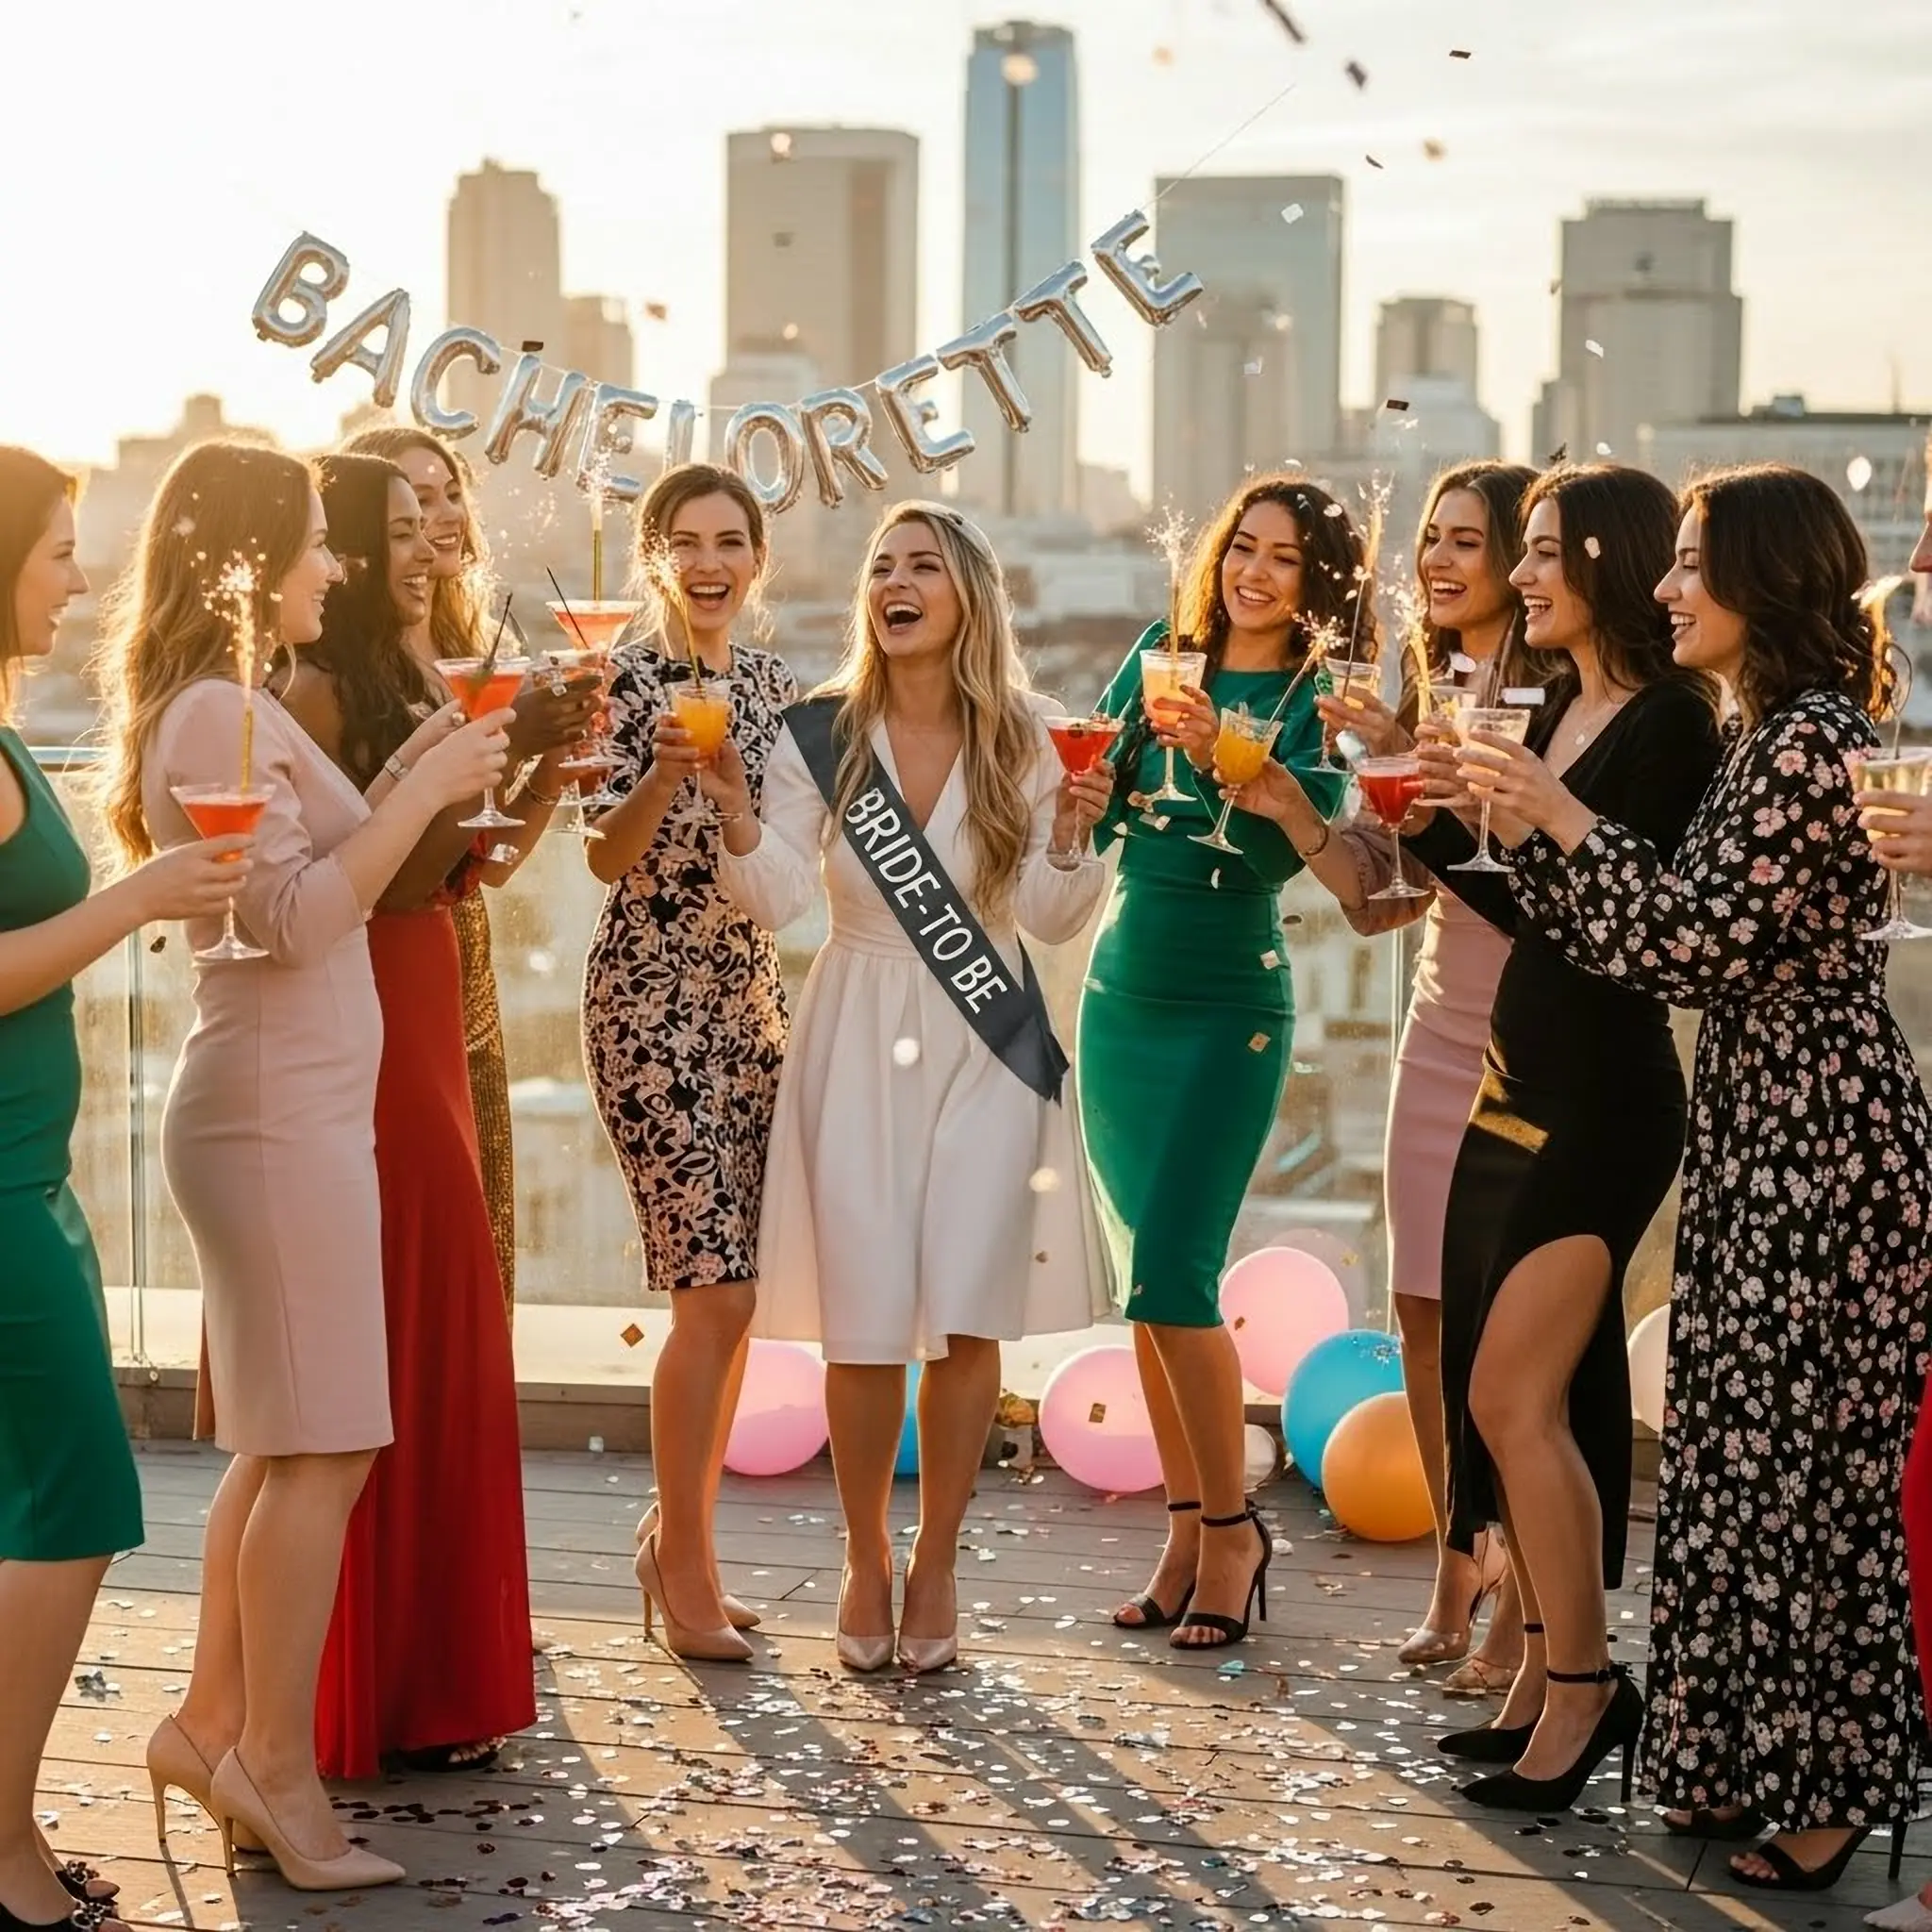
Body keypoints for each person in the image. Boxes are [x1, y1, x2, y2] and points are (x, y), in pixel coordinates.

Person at [1472, 464, 1929, 1886]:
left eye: (1688, 564)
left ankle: (1829, 1785)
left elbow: (1689, 942)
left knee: (1810, 1473)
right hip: (1761, 1118)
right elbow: (1622, 937)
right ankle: (1730, 1760)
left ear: (1765, 576)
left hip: (1828, 1138)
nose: (1665, 589)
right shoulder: (1761, 733)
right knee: (1733, 1455)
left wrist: (1556, 814)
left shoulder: (1807, 741)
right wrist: (1514, 824)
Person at [96, 441, 508, 1890]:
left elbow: (348, 859)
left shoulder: (251, 706)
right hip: (274, 1121)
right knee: (329, 1444)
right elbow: (290, 917)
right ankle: (274, 1767)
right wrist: (426, 782)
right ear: (258, 554)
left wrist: (434, 765)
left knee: (286, 1443)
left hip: (303, 1114)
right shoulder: (219, 711)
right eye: (320, 544)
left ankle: (211, 1728)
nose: (337, 565)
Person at [712, 502, 1110, 1673]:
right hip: (854, 1029)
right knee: (865, 1316)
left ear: (968, 596)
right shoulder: (816, 733)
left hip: (988, 1037)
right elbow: (775, 893)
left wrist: (1076, 838)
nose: (894, 581)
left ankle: (936, 1558)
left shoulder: (1037, 736)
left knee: (968, 1304)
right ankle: (864, 1556)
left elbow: (1047, 917)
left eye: (922, 564)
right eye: (881, 566)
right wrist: (737, 811)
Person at [1398, 461, 1722, 1811]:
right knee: (1525, 1391)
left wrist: (1538, 815)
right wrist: (1417, 814)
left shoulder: (1670, 724)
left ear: (1605, 559)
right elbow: (1525, 906)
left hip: (1601, 1097)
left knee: (1509, 1397)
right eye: (1517, 552)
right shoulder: (1562, 702)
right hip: (1507, 1074)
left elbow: (1632, 927)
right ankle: (1550, 1673)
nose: (1523, 577)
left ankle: (1585, 1691)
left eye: (1541, 553)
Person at [1224, 461, 1540, 1685]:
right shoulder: (1413, 682)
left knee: (1510, 1324)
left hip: (1537, 1031)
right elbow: (1386, 900)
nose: (1440, 561)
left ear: (1525, 557)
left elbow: (1527, 865)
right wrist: (1302, 809)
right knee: (1421, 1308)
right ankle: (1458, 1573)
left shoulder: (1553, 697)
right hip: (1439, 1020)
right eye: (1431, 542)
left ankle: (1521, 1586)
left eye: (1469, 540)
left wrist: (1414, 752)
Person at [0, 446, 247, 1932]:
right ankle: (2, 1855)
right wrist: (141, 899)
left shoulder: (10, 727)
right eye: (51, 554)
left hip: (31, 1171)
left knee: (40, 1495)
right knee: (78, 1494)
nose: (76, 578)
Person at [280, 451, 554, 1775]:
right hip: (367, 1010)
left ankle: (440, 1673)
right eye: (385, 528)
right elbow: (364, 885)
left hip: (433, 988)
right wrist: (458, 776)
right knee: (395, 1313)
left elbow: (469, 870)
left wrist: (548, 763)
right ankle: (367, 1681)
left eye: (428, 519)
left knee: (446, 1307)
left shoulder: (424, 671)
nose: (419, 540)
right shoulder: (323, 690)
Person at [1080, 475, 1350, 1651]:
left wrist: (1249, 775)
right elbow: (1091, 813)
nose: (1252, 570)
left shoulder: (1313, 694)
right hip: (1118, 990)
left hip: (1228, 994)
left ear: (1314, 583)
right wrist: (1090, 786)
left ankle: (1235, 1529)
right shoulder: (1162, 651)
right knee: (1144, 1288)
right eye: (1242, 545)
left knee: (1178, 1276)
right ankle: (1186, 1531)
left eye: (1283, 558)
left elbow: (1288, 857)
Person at [580, 463, 797, 1659]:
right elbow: (604, 861)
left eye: (730, 540)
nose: (709, 561)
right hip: (647, 994)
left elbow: (783, 878)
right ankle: (689, 1572)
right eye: (685, 541)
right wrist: (665, 772)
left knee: (743, 1297)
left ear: (755, 562)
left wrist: (732, 801)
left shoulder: (774, 690)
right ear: (656, 558)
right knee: (707, 1288)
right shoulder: (616, 683)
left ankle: (680, 1539)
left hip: (746, 1000)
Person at [343, 425, 525, 1316]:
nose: (440, 519)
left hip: (464, 958)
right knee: (412, 1243)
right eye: (412, 508)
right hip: (388, 964)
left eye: (448, 494)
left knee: (481, 1226)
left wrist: (550, 767)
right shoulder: (348, 669)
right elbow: (389, 858)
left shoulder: (470, 644)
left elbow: (487, 865)